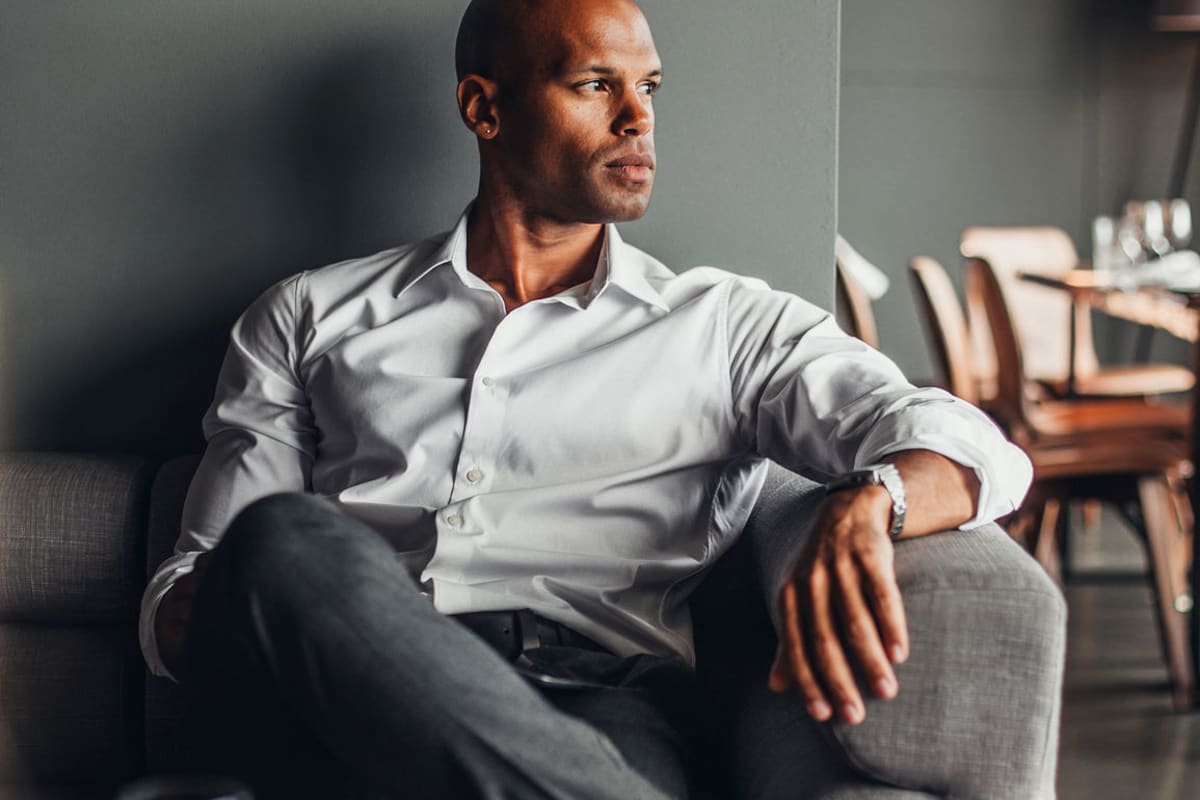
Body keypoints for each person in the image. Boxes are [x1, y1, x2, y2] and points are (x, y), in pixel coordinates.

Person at [139, 0, 1033, 797]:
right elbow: (192, 588)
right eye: (595, 84)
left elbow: (970, 444)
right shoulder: (309, 315)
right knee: (285, 540)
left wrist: (873, 501)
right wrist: (286, 615)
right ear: (485, 108)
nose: (638, 117)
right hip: (354, 693)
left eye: (648, 86)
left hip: (598, 709)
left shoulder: (721, 326)